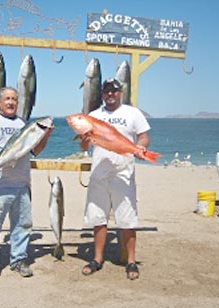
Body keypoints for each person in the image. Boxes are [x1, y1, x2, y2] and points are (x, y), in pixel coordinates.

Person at [0, 87, 53, 284]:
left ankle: (18, 261)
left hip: (22, 185)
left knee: (22, 226)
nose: (11, 102)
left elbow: (34, 151)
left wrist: (46, 135)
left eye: (14, 99)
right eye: (7, 99)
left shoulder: (24, 124)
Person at [79, 78, 152, 280]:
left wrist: (141, 147)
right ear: (102, 94)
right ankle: (97, 258)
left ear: (121, 92)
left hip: (124, 173)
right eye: (107, 91)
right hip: (99, 173)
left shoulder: (132, 113)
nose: (110, 94)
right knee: (98, 217)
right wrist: (84, 141)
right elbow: (84, 147)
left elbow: (144, 136)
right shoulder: (93, 116)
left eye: (114, 91)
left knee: (127, 218)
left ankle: (130, 261)